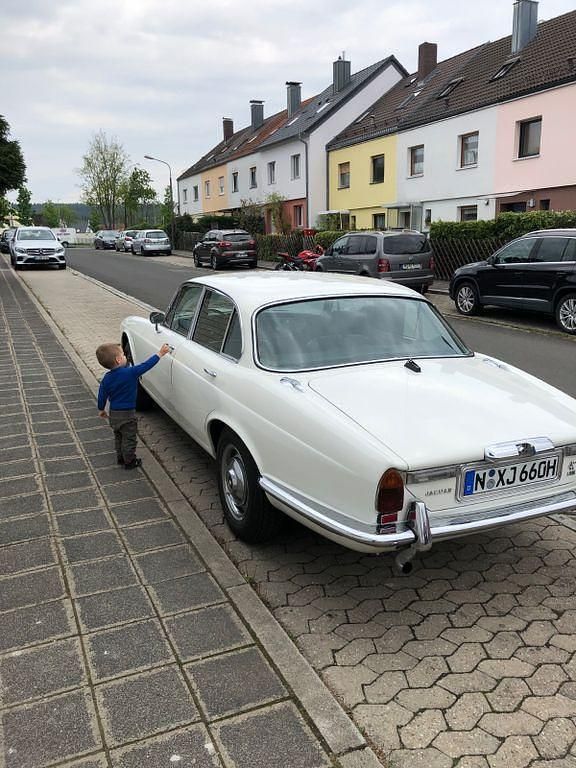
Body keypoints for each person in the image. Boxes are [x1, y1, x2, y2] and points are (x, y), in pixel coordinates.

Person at [96, 342, 170, 469]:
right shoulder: (130, 373)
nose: (126, 356)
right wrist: (160, 353)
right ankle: (130, 461)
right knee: (129, 439)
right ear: (118, 360)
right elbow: (146, 365)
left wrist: (101, 409)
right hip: (127, 415)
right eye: (124, 355)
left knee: (118, 436)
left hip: (114, 414)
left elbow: (101, 396)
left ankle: (120, 458)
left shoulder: (106, 378)